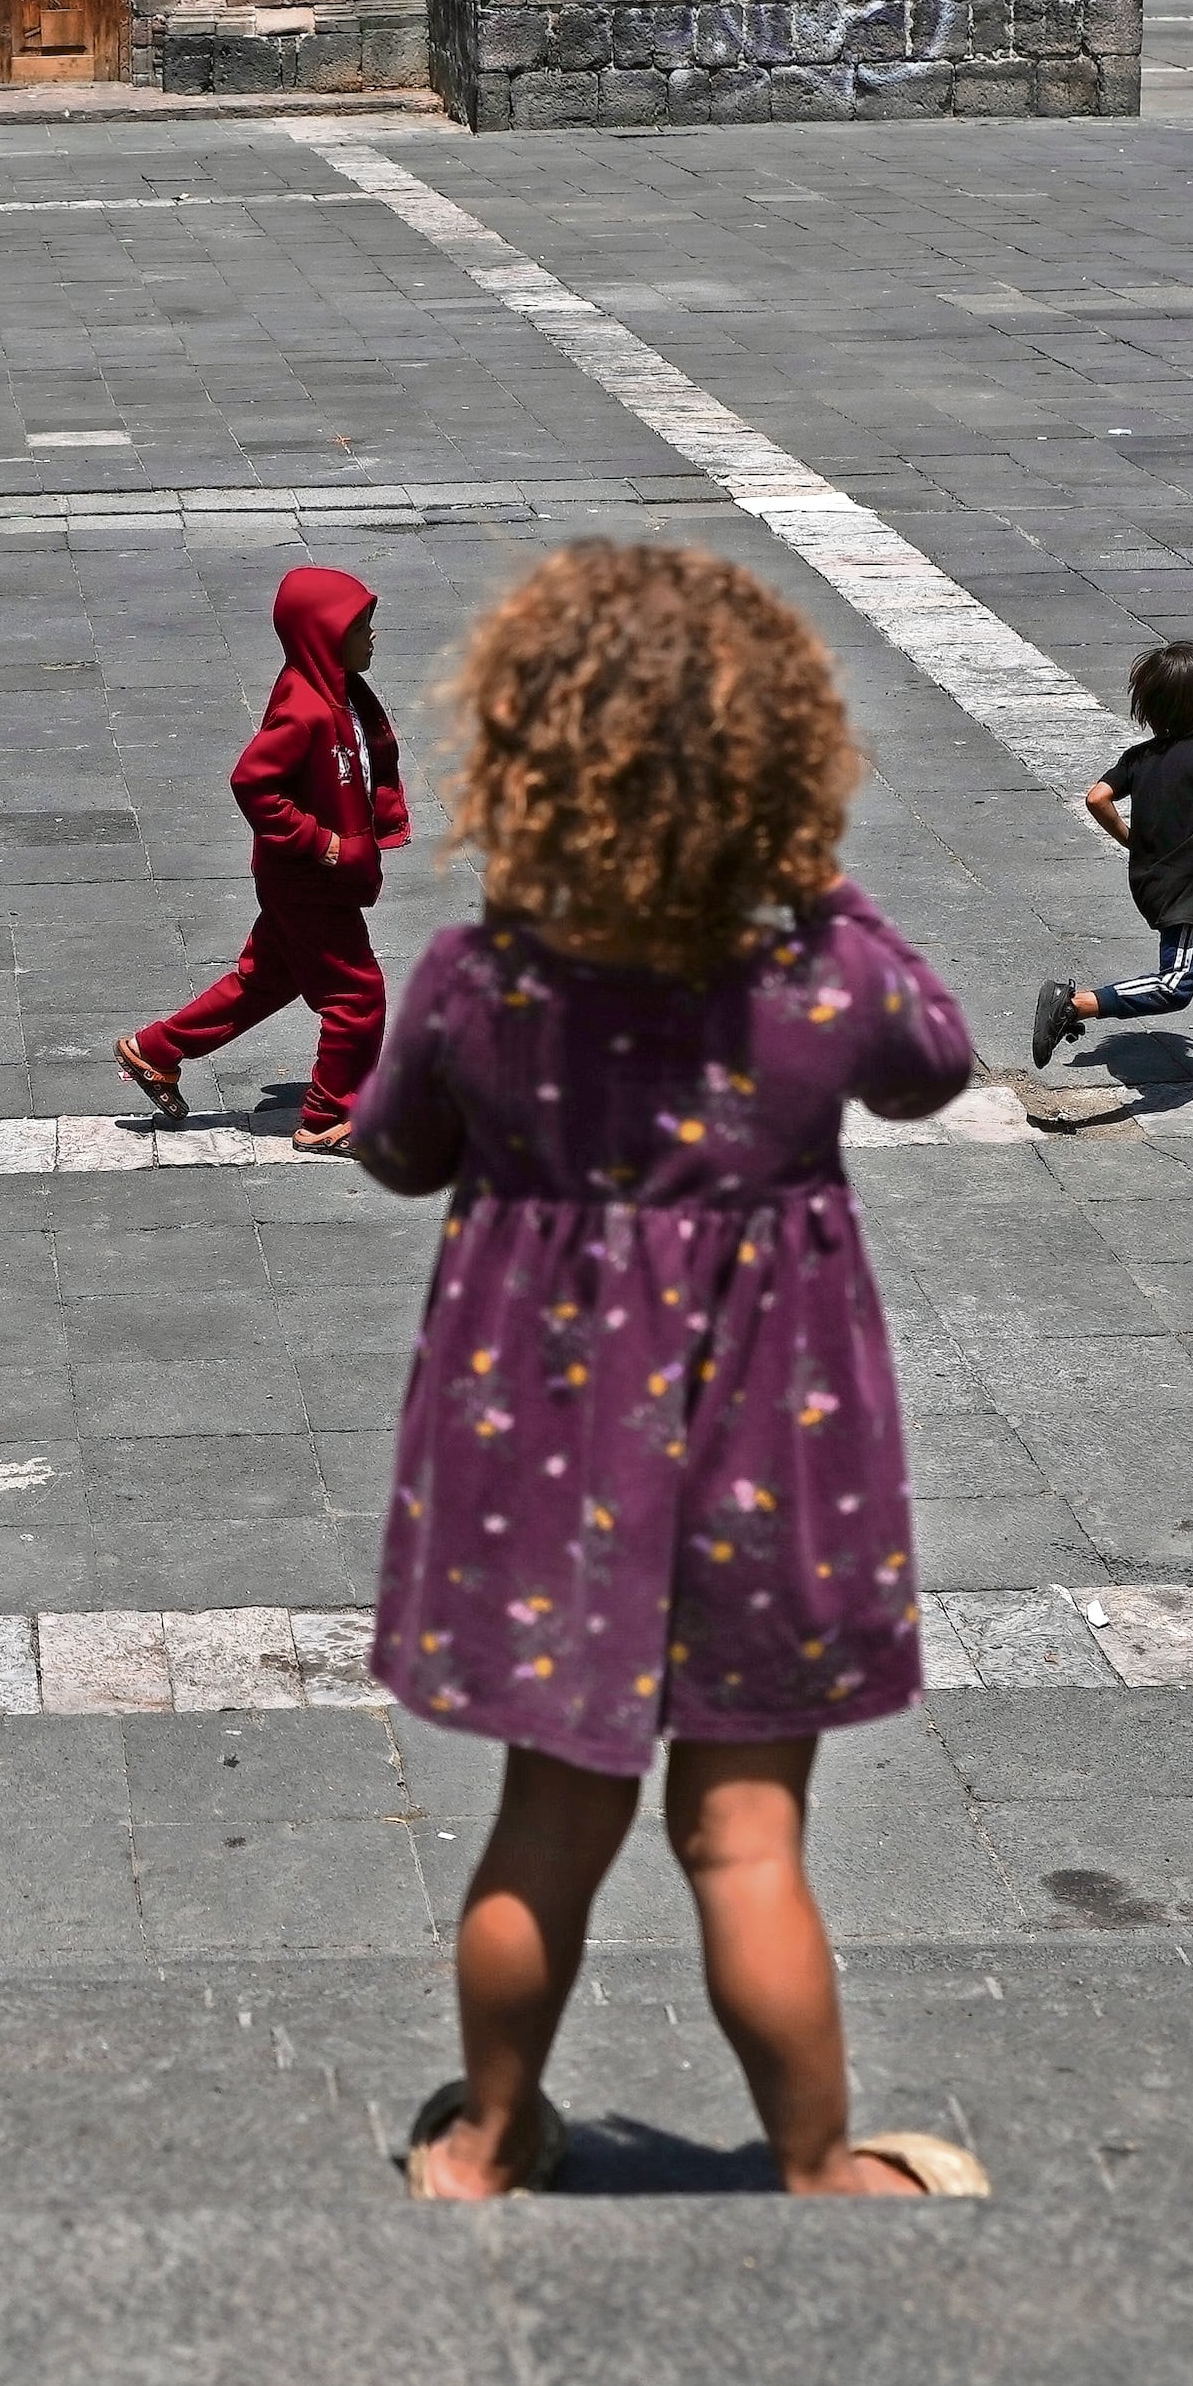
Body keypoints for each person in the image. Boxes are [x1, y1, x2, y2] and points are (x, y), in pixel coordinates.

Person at [353, 538, 982, 2204]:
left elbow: (396, 1150)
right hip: (775, 1463)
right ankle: (820, 2164)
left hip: (543, 1466)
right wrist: (822, 881)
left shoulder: (479, 985)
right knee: (746, 1836)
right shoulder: (820, 978)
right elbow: (939, 1057)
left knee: (542, 1832)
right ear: (782, 775)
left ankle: (483, 2142)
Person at [110, 565, 407, 1149]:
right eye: (361, 625)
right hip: (307, 881)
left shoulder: (336, 691)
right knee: (357, 997)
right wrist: (319, 843)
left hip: (307, 880)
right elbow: (252, 782)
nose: (372, 636)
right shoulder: (307, 708)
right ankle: (329, 1117)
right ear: (324, 634)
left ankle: (155, 1049)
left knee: (265, 980)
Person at [1029, 639, 1193, 1096]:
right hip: (1189, 888)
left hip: (1150, 880)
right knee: (1175, 985)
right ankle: (1075, 1005)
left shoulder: (1140, 757)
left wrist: (1131, 838)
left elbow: (1096, 797)